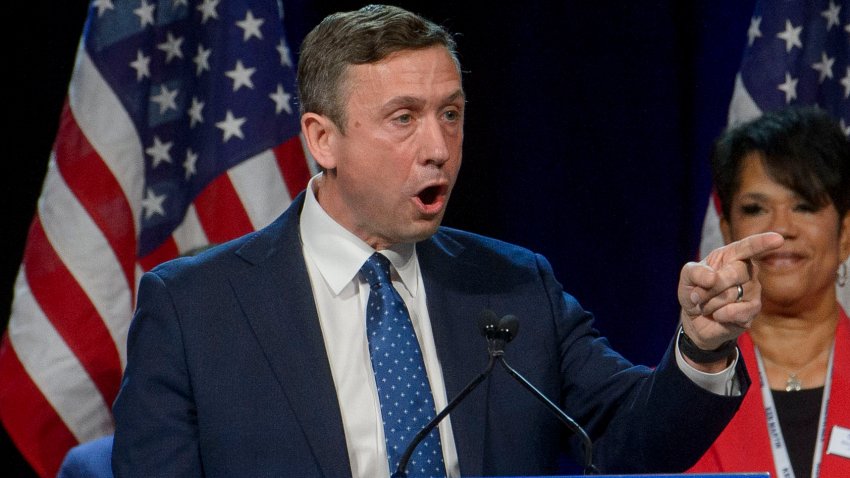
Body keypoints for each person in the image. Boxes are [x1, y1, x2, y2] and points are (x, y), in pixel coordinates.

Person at [111, 5, 783, 477]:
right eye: (403, 119)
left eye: (451, 115)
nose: (439, 148)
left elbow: (633, 444)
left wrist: (701, 344)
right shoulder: (195, 308)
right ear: (323, 139)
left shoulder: (516, 286)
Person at [688, 106, 850, 478]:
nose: (780, 230)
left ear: (844, 235)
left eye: (804, 205)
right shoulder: (678, 399)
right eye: (756, 208)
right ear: (727, 232)